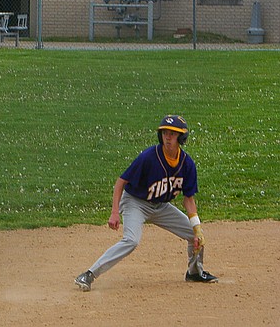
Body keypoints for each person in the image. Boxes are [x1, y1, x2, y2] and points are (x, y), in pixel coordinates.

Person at [74, 115, 218, 292]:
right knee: (131, 240)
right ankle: (89, 274)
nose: (168, 137)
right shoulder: (149, 157)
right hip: (136, 203)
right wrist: (114, 212)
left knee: (195, 235)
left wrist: (197, 228)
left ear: (181, 138)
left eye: (173, 134)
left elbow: (188, 198)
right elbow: (121, 182)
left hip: (161, 206)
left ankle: (195, 272)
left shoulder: (187, 164)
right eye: (165, 132)